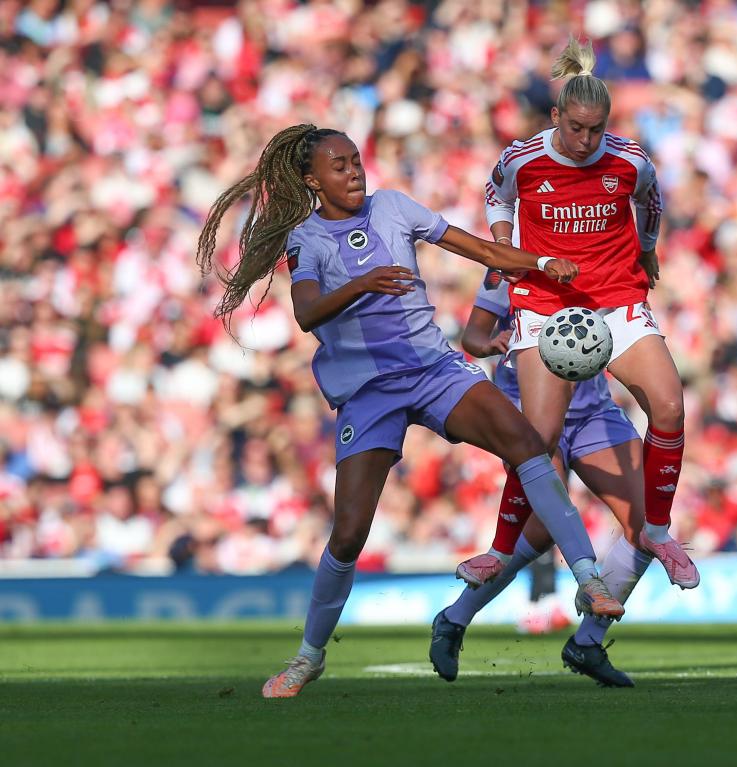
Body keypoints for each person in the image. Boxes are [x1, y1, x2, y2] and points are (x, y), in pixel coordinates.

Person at [196, 125, 626, 699]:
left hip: (433, 370)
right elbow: (306, 314)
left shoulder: (395, 207)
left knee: (526, 443)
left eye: (355, 161)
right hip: (369, 393)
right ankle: (309, 657)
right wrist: (364, 283)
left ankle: (590, 579)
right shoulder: (306, 240)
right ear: (311, 179)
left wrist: (540, 262)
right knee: (348, 536)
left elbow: (479, 249)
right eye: (339, 166)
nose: (354, 172)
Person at [480, 36, 699, 589]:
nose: (585, 139)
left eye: (596, 128)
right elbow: (497, 197)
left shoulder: (628, 160)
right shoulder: (522, 159)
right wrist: (506, 246)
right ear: (557, 116)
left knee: (669, 404)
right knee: (540, 437)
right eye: (576, 127)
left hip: (617, 300)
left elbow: (651, 200)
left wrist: (648, 247)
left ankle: (657, 529)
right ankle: (498, 548)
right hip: (547, 305)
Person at [429, 267, 651, 687]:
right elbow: (472, 337)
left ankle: (587, 641)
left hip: (592, 411)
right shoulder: (507, 270)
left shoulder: (603, 263)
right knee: (545, 527)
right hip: (528, 415)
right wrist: (497, 342)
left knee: (647, 523)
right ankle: (455, 618)